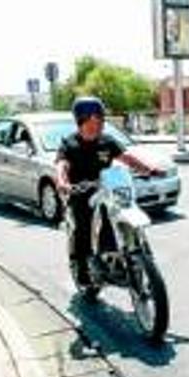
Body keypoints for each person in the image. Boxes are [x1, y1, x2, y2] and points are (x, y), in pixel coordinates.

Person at [55, 97, 162, 285]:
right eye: (93, 121)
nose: (98, 125)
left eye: (101, 121)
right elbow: (61, 165)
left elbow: (127, 157)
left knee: (118, 213)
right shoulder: (70, 144)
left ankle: (126, 254)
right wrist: (63, 182)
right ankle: (82, 269)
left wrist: (148, 169)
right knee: (83, 226)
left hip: (107, 190)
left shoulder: (107, 141)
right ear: (81, 121)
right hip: (81, 193)